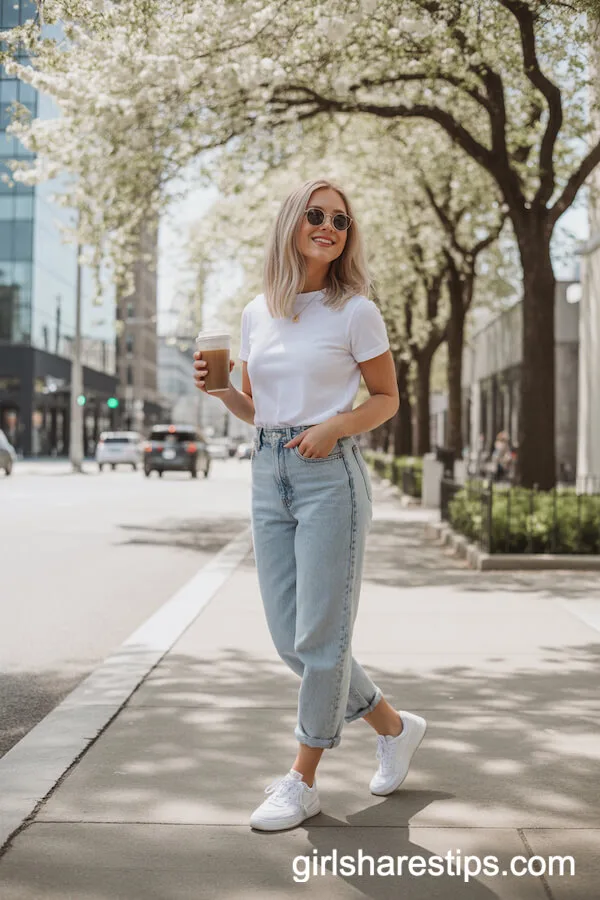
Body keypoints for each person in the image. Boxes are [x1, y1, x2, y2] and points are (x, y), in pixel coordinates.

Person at [193, 178, 427, 832]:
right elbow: (258, 409)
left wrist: (335, 427)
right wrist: (222, 393)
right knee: (291, 640)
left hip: (330, 477)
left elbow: (386, 399)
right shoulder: (256, 312)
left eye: (340, 221)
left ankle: (302, 780)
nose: (329, 227)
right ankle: (394, 727)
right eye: (317, 215)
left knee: (321, 640)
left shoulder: (355, 311)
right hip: (268, 472)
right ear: (292, 223)